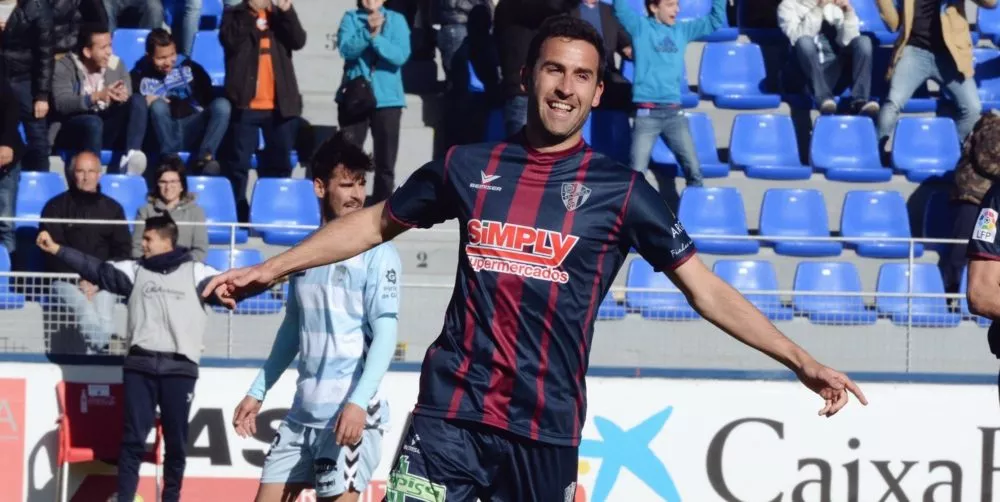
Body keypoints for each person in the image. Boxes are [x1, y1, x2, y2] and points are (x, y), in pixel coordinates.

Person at [204, 16, 867, 501]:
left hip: (544, 431)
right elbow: (373, 225)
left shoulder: (624, 192)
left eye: (582, 76)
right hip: (449, 416)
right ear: (527, 76)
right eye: (554, 69)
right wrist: (270, 268)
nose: (565, 87)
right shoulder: (468, 165)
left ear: (598, 92)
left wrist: (801, 360)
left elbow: (706, 290)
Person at [231, 132, 400, 502]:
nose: (357, 195)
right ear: (320, 187)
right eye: (346, 185)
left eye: (361, 184)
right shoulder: (305, 255)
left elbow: (386, 336)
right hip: (301, 416)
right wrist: (258, 390)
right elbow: (293, 328)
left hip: (348, 415)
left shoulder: (379, 254)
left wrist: (358, 402)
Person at [36, 215, 223, 502]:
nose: (142, 244)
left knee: (176, 443)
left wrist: (271, 275)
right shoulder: (134, 271)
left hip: (180, 369)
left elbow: (233, 286)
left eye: (148, 238)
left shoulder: (197, 272)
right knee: (133, 440)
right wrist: (58, 250)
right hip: (140, 366)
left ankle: (171, 498)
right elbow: (95, 269)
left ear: (166, 241)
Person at [613, 0, 722, 187]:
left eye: (677, 4)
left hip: (674, 114)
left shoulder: (682, 30)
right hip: (646, 115)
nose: (677, 9)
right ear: (654, 7)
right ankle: (633, 206)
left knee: (694, 170)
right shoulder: (640, 27)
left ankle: (692, 205)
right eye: (671, 5)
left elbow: (715, 20)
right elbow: (620, 9)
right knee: (636, 174)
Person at [220, 0, 306, 221]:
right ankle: (238, 212)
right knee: (238, 164)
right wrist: (251, 14)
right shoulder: (234, 13)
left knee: (280, 164)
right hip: (245, 104)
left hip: (279, 106)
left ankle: (271, 210)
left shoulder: (279, 14)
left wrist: (287, 12)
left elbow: (298, 40)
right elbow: (230, 40)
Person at [41, 151, 132, 354]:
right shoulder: (55, 207)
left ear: (99, 174)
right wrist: (79, 280)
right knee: (84, 308)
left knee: (104, 312)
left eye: (91, 171)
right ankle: (107, 349)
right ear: (72, 173)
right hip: (65, 280)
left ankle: (99, 358)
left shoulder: (113, 209)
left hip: (103, 280)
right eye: (81, 171)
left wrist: (99, 280)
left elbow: (123, 251)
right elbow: (51, 252)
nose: (86, 177)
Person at [875, 0, 994, 147]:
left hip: (951, 55)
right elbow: (893, 25)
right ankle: (877, 151)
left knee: (973, 109)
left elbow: (991, 3)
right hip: (915, 51)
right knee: (892, 103)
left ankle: (948, 150)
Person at [337, 0, 411, 205]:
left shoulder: (396, 20)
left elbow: (400, 56)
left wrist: (377, 38)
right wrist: (367, 32)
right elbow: (346, 49)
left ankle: (381, 210)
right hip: (355, 97)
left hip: (388, 101)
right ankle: (348, 207)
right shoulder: (351, 18)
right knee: (350, 159)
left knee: (385, 162)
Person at [51, 23, 147, 175]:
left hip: (106, 124)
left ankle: (132, 156)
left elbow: (126, 93)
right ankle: (93, 173)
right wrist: (95, 97)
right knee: (93, 122)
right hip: (74, 127)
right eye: (103, 48)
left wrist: (120, 97)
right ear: (87, 52)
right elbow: (62, 104)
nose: (109, 52)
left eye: (110, 45)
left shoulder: (116, 64)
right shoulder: (64, 67)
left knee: (137, 99)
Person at [131, 28, 231, 174]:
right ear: (149, 57)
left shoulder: (191, 68)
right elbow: (132, 108)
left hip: (192, 125)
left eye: (172, 55)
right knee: (158, 105)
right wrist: (145, 101)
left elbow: (208, 95)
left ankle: (204, 159)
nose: (168, 62)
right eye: (161, 58)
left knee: (222, 105)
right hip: (162, 130)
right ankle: (169, 160)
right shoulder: (138, 75)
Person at [778, 0, 877, 115]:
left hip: (831, 72)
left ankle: (859, 101)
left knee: (863, 41)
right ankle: (822, 99)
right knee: (804, 41)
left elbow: (847, 42)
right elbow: (796, 40)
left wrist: (848, 14)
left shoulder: (833, 7)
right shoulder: (787, 6)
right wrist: (818, 9)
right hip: (802, 76)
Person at [1, 0, 53, 173]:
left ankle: (41, 179)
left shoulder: (36, 6)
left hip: (25, 80)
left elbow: (45, 53)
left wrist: (42, 95)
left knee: (37, 137)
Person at [131, 157, 209, 261]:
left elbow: (200, 250)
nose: (168, 187)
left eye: (173, 182)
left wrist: (179, 264)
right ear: (157, 185)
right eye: (163, 182)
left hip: (185, 267)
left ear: (182, 186)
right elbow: (136, 248)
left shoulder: (196, 212)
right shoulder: (144, 211)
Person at [0, 75, 25, 255]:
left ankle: (8, 268)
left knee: (5, 224)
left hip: (5, 162)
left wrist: (7, 143)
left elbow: (12, 109)